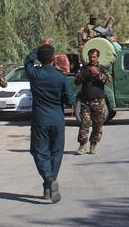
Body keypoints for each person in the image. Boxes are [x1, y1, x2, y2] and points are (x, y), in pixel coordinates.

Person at [25, 39, 75, 203]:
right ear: (53, 58)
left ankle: (49, 179)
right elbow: (70, 100)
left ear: (40, 58)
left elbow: (27, 60)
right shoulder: (61, 77)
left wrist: (39, 47)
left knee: (39, 152)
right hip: (57, 120)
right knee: (56, 153)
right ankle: (48, 186)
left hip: (40, 119)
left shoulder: (35, 74)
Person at [74, 48, 112, 155]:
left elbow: (108, 81)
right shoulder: (84, 68)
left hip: (98, 102)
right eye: (90, 57)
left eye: (94, 57)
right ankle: (82, 145)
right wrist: (85, 74)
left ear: (97, 57)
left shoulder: (102, 68)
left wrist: (98, 73)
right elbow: (76, 81)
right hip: (85, 101)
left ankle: (93, 145)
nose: (92, 59)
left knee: (98, 124)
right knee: (84, 123)